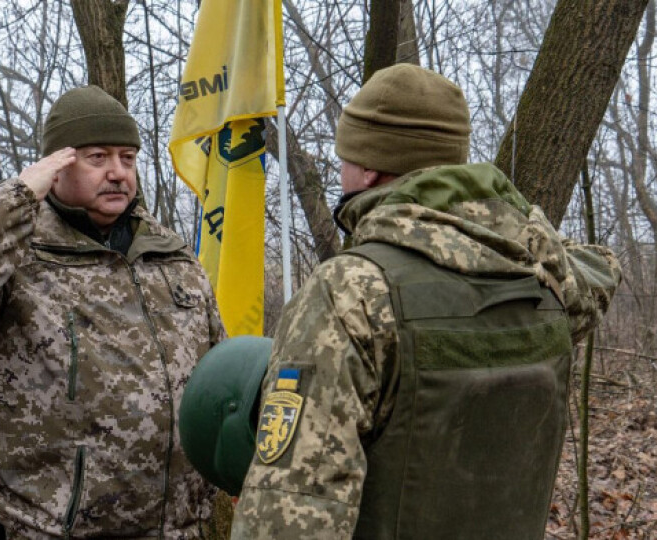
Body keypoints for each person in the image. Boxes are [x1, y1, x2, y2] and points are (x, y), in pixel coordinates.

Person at [229, 64, 623, 539]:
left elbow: (292, 511)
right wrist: (523, 222)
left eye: (345, 156)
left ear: (370, 165)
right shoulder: (546, 280)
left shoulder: (351, 290)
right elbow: (599, 271)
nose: (341, 170)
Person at [0, 86, 226, 539]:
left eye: (128, 159)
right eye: (97, 157)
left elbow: (216, 370)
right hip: (50, 528)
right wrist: (17, 198)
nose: (117, 173)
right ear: (55, 166)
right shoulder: (15, 253)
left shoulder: (170, 253)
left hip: (178, 528)